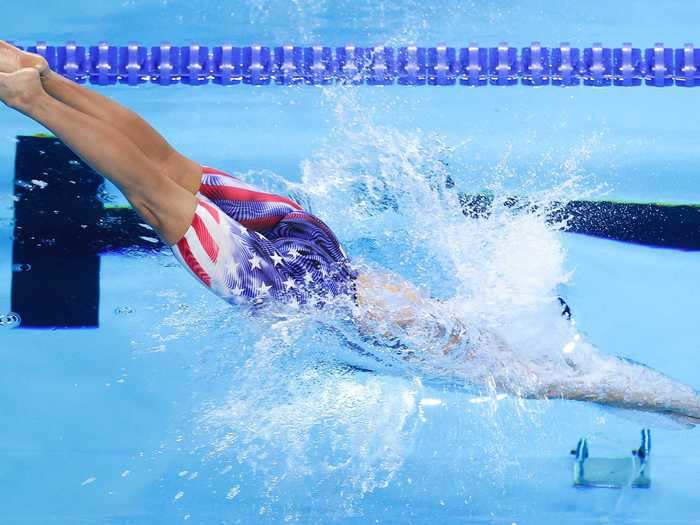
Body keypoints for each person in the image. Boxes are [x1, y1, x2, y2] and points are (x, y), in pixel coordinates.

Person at [1, 41, 699, 425]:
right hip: (293, 281)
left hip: (315, 241)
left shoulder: (469, 313)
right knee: (153, 192)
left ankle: (50, 78)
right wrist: (687, 408)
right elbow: (601, 388)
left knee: (171, 166)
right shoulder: (509, 371)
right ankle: (36, 95)